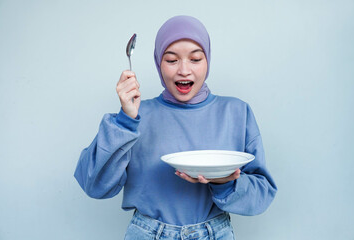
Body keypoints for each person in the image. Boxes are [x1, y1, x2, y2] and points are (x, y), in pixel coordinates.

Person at [74, 15, 277, 240]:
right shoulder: (137, 114)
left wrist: (225, 182)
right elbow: (94, 185)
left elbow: (262, 195)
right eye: (171, 60)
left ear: (208, 60)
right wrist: (125, 120)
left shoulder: (237, 112)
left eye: (196, 59)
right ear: (158, 63)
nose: (184, 70)